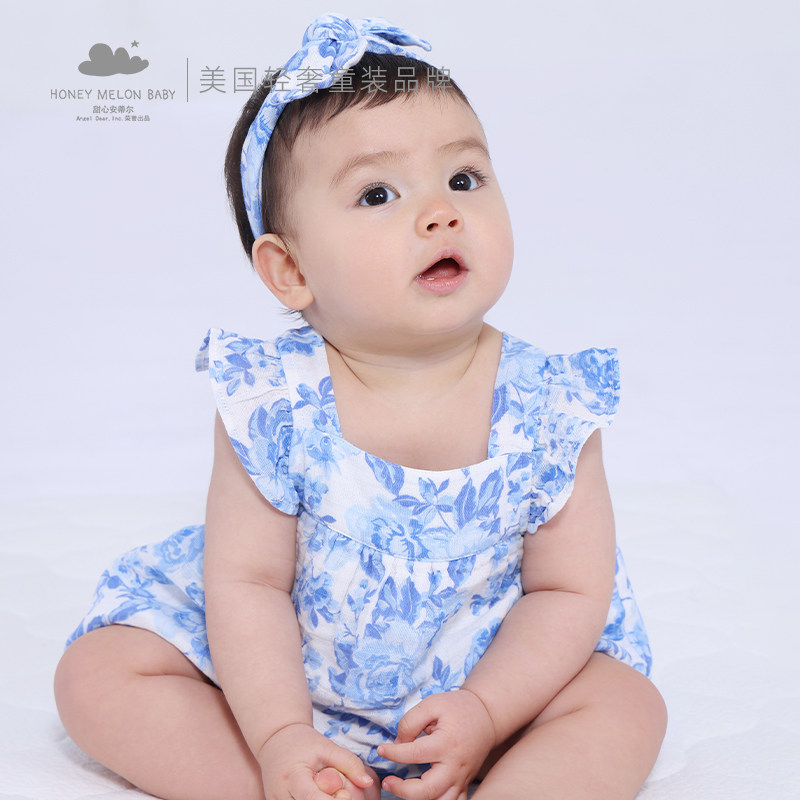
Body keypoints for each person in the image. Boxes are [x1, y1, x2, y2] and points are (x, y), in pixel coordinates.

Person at [54, 14, 666, 800]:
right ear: (290, 270)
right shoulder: (270, 400)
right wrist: (280, 734)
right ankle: (289, 784)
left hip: (491, 681)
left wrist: (486, 711)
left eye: (464, 179)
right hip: (280, 680)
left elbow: (568, 592)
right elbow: (248, 585)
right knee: (97, 674)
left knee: (626, 705)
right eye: (378, 193)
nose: (441, 213)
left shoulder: (553, 404)